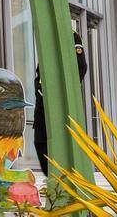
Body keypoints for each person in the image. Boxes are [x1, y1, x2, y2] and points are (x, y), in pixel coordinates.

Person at [32, 31, 87, 176]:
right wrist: (38, 90)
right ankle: (51, 176)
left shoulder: (71, 35)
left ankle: (62, 177)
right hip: (42, 101)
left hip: (59, 101)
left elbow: (81, 67)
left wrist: (64, 91)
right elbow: (39, 72)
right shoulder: (46, 35)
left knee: (61, 140)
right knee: (40, 141)